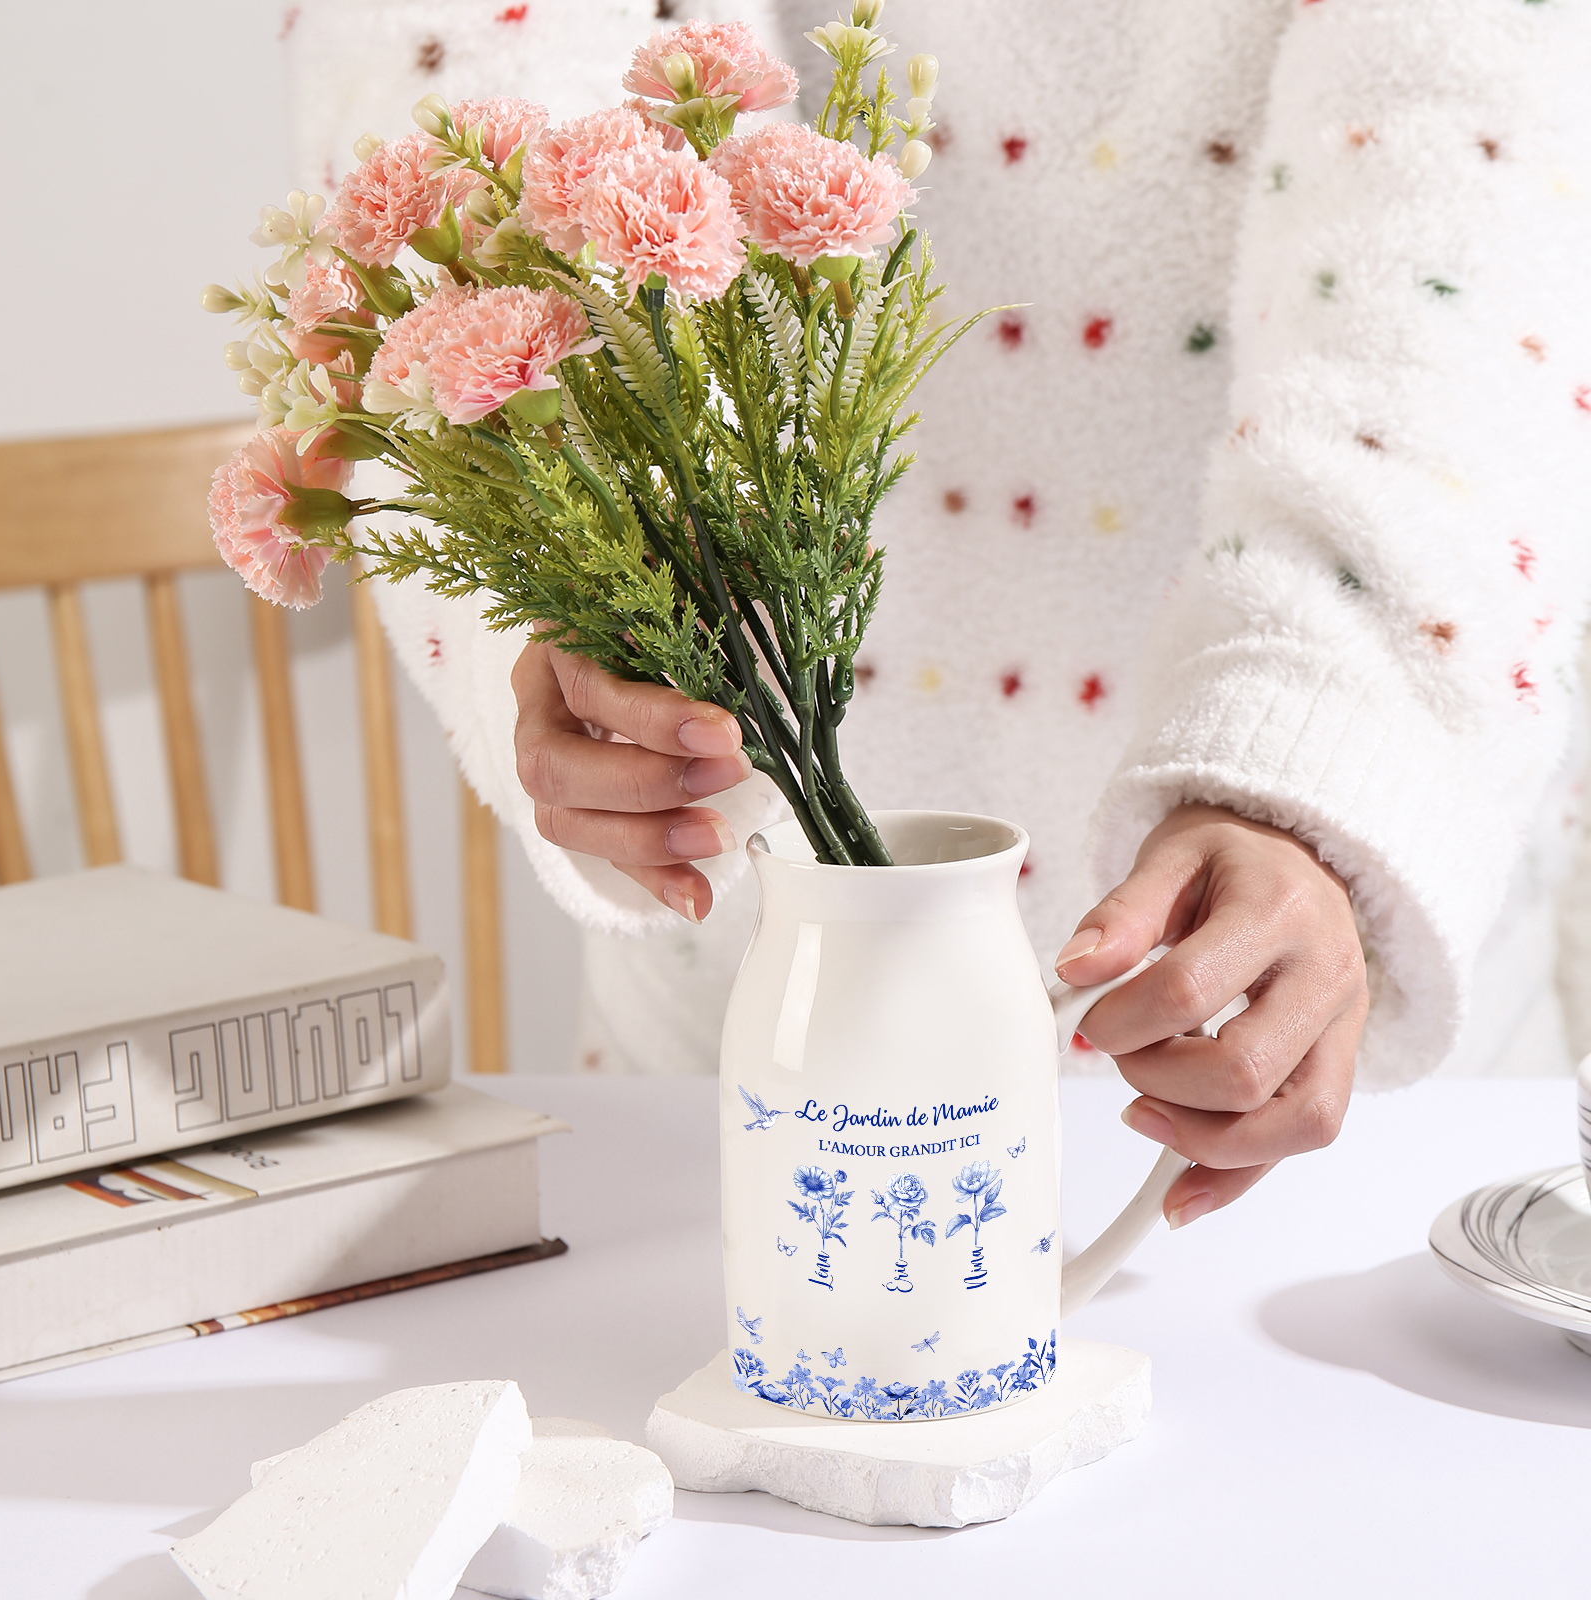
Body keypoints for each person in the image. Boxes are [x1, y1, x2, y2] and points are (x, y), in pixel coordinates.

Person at [289, 0, 1591, 1228]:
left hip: (1324, 1022)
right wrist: (588, 559)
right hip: (738, 988)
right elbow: (450, 85)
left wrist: (1313, 749)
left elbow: (1473, 200)